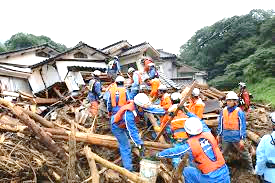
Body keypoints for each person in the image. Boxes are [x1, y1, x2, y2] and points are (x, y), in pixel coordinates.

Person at [156, 117, 230, 183]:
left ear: (187, 132)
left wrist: (159, 155)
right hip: (225, 174)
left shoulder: (190, 146)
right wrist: (188, 113)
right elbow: (201, 121)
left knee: (186, 171)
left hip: (210, 178)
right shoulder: (209, 134)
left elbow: (173, 152)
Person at [111, 93, 165, 171]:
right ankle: (128, 169)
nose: (144, 109)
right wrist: (139, 144)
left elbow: (151, 109)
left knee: (133, 139)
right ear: (138, 106)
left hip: (125, 124)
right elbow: (132, 131)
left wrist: (165, 112)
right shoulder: (128, 114)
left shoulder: (139, 106)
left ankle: (134, 145)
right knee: (125, 146)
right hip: (117, 127)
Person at [216, 91, 254, 173]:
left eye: (231, 100)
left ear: (235, 102)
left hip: (236, 137)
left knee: (244, 153)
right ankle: (222, 169)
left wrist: (242, 139)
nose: (229, 102)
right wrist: (219, 134)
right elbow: (221, 124)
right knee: (223, 154)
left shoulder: (239, 111)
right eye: (228, 100)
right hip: (226, 137)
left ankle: (250, 169)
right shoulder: (223, 111)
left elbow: (242, 126)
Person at [255, 112, 275, 183]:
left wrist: (258, 172)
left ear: (273, 125)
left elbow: (261, 159)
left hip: (270, 176)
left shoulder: (266, 139)